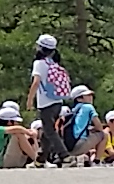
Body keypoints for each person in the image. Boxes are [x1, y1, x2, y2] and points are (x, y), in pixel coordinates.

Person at [29, 34, 78, 165]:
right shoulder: (54, 64)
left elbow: (36, 82)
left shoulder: (39, 64)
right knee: (47, 132)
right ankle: (40, 160)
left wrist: (30, 100)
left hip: (45, 103)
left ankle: (65, 156)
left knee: (49, 131)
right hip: (57, 102)